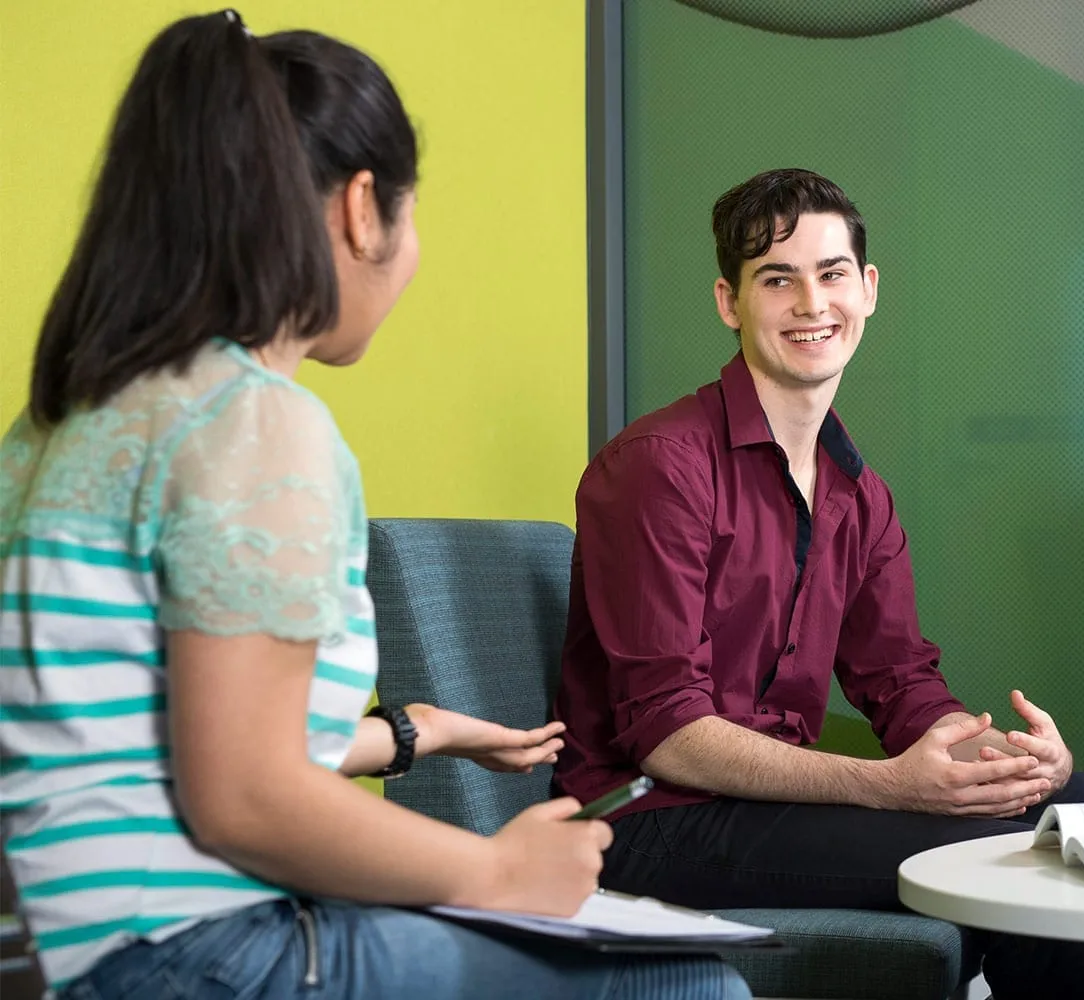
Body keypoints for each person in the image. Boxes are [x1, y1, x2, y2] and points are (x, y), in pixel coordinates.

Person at [0, 12, 748, 999]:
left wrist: (413, 732)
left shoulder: (63, 422)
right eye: (410, 212)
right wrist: (493, 871)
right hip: (201, 952)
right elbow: (241, 796)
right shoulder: (259, 425)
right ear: (362, 209)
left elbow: (163, 738)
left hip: (84, 951)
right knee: (684, 984)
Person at [556, 167, 1084, 999]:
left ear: (867, 289)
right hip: (648, 821)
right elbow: (668, 734)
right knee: (1008, 860)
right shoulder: (659, 469)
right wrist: (885, 785)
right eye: (776, 279)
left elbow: (901, 684)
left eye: (831, 274)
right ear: (729, 301)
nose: (810, 303)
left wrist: (1007, 763)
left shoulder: (856, 492)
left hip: (770, 810)